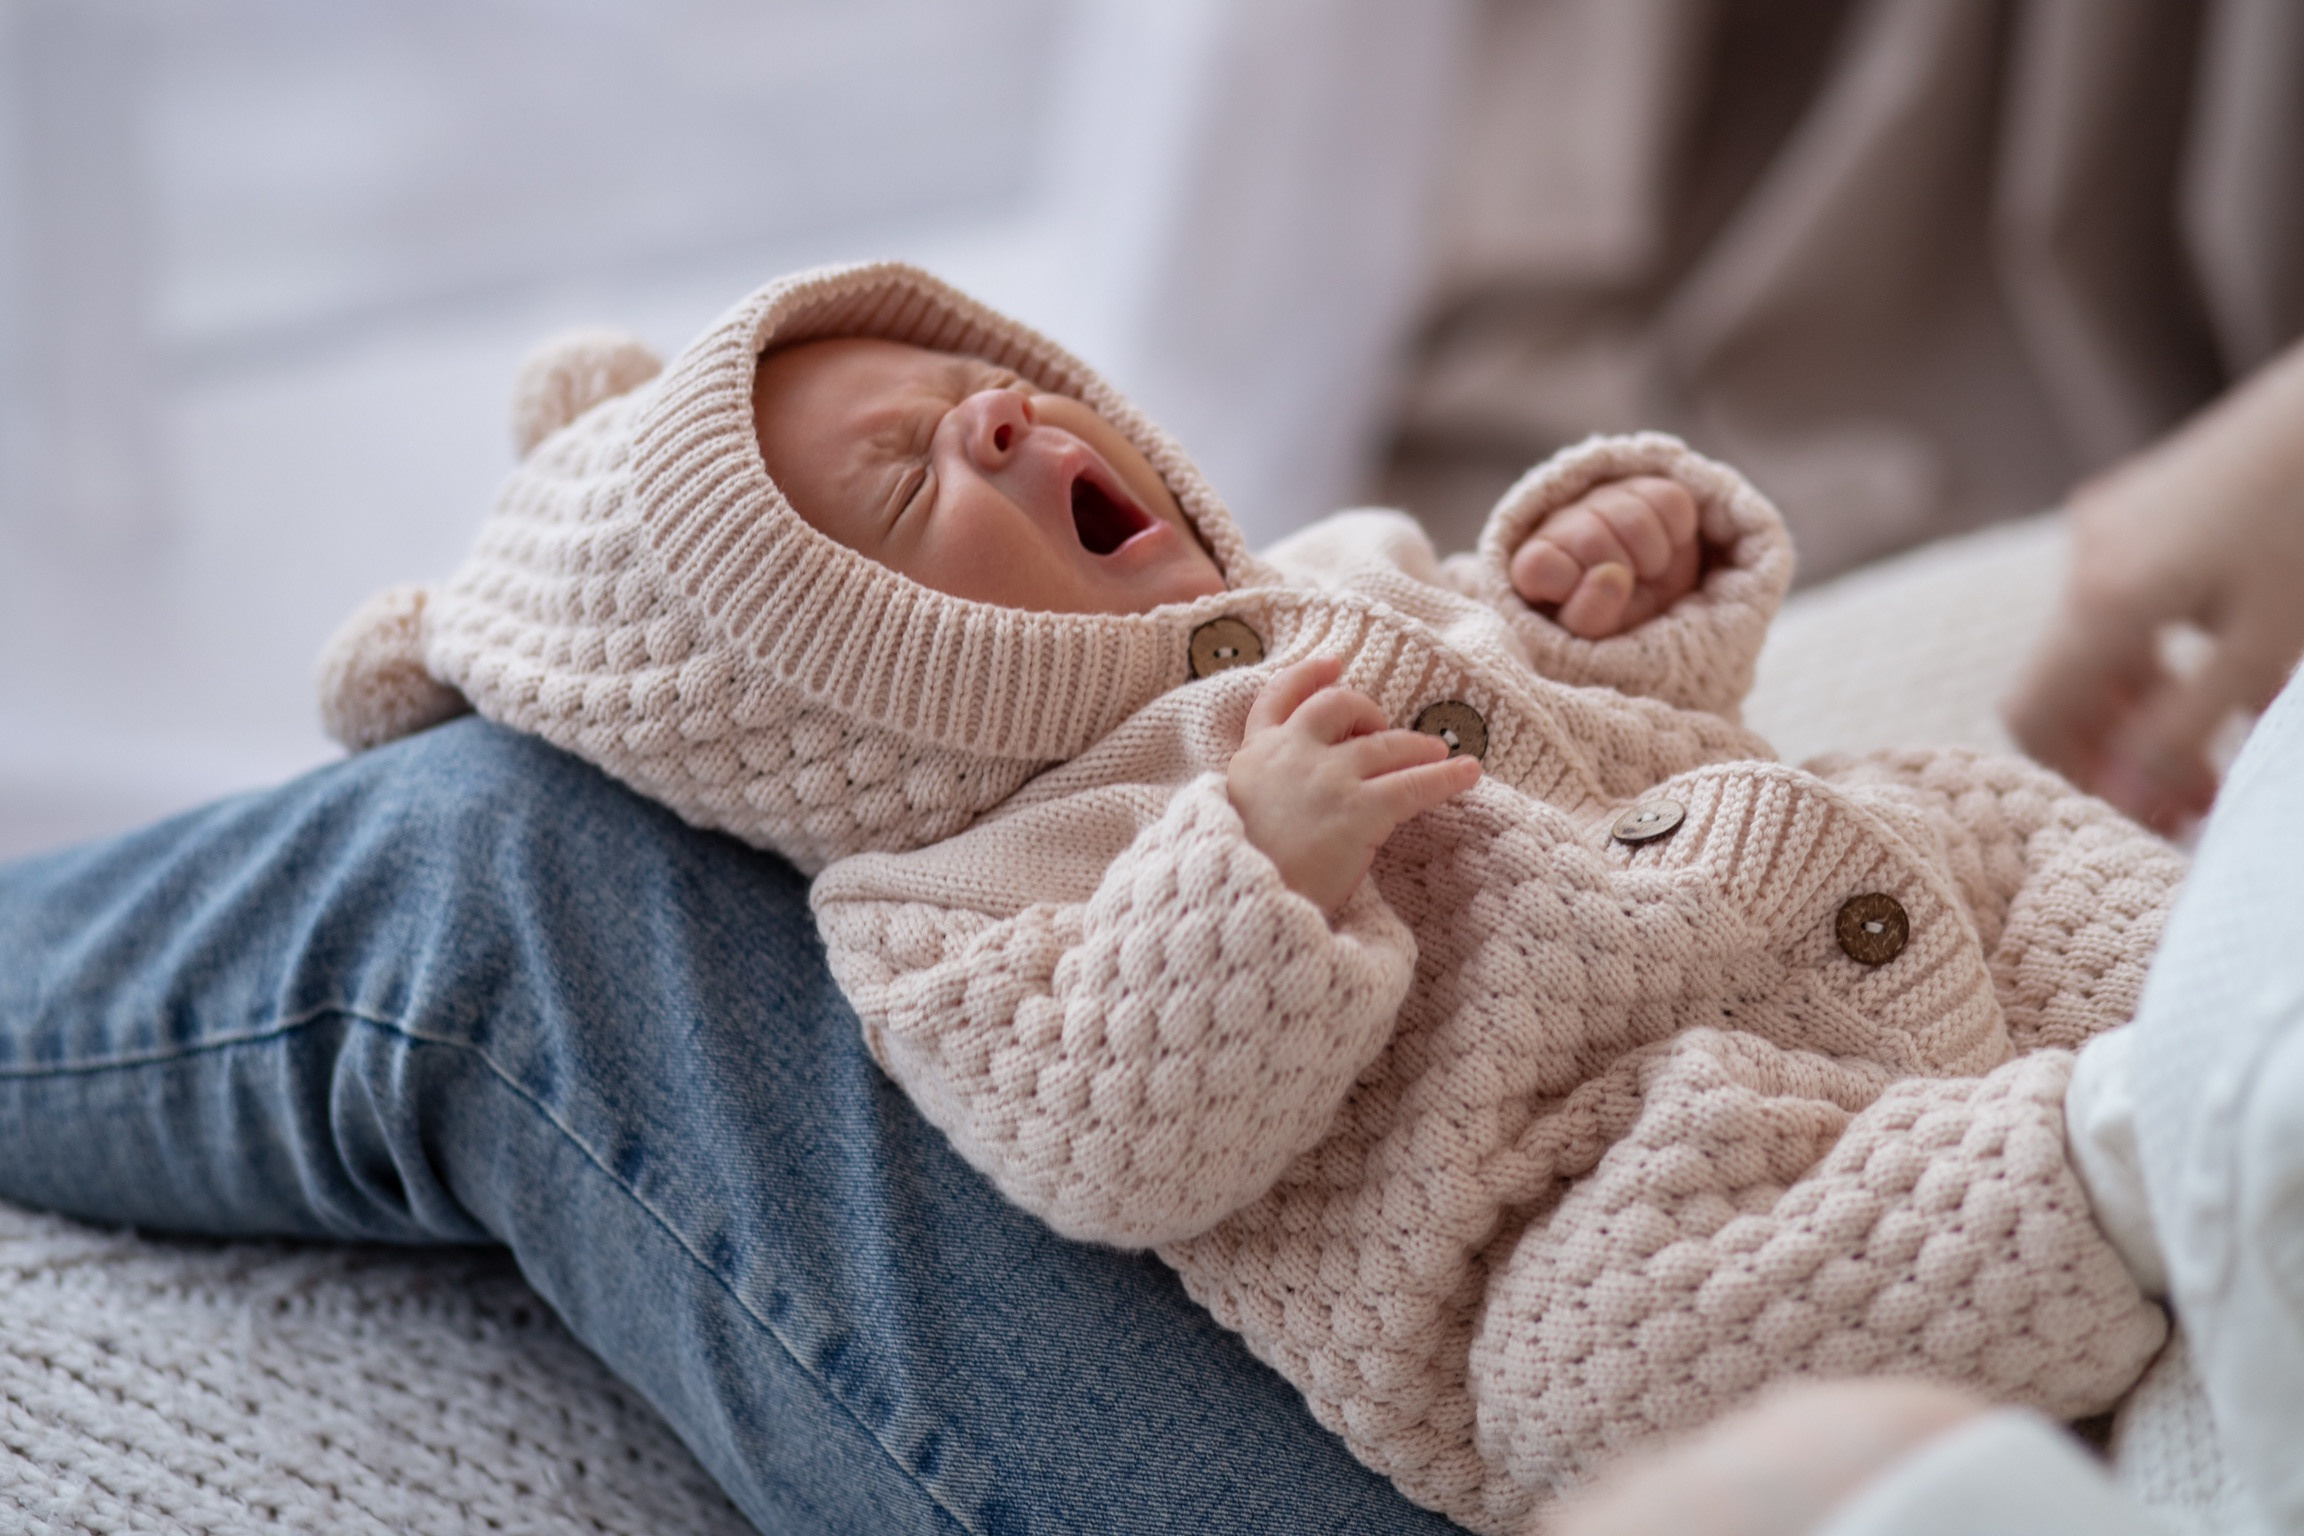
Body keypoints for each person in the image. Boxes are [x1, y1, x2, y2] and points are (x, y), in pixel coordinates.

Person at [275, 260, 2179, 1532]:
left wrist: (1607, 588)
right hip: (1595, 1175)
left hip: (1850, 900)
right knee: (1598, 1362)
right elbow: (1112, 1137)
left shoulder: (1345, 564)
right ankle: (2124, 1172)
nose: (996, 420)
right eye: (898, 482)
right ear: (845, 679)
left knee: (2014, 840)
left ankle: (2225, 988)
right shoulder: (950, 897)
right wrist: (1250, 868)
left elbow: (1637, 717)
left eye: (980, 383)